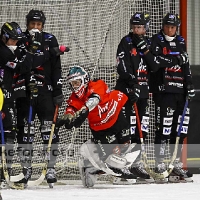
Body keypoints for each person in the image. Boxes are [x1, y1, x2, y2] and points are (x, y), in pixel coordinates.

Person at [114, 12, 183, 183]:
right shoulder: (126, 41)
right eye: (134, 27)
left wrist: (145, 50)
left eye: (140, 27)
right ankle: (122, 165)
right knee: (127, 129)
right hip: (128, 91)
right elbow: (122, 66)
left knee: (141, 129)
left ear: (146, 28)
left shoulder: (150, 43)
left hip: (144, 92)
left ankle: (136, 164)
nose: (137, 30)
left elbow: (154, 65)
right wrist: (132, 83)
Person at [55, 65, 139, 188]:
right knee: (112, 158)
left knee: (125, 146)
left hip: (116, 117)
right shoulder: (76, 97)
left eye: (77, 82)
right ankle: (90, 167)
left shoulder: (97, 84)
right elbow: (72, 107)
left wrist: (84, 109)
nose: (75, 86)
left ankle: (103, 167)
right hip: (101, 128)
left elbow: (95, 99)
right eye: (72, 84)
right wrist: (68, 115)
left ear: (85, 79)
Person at [16, 9, 64, 186]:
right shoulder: (20, 39)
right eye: (32, 24)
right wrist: (42, 51)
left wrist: (58, 90)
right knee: (26, 131)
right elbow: (25, 65)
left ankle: (50, 168)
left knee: (48, 130)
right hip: (26, 91)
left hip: (46, 91)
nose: (35, 28)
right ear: (27, 24)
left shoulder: (50, 39)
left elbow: (56, 67)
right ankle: (26, 169)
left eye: (38, 25)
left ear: (43, 25)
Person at [149, 13, 195, 182]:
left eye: (173, 27)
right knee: (164, 129)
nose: (170, 29)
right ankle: (160, 164)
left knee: (180, 130)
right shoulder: (156, 40)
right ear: (163, 26)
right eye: (167, 26)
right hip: (164, 91)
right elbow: (155, 62)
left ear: (177, 27)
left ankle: (175, 163)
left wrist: (189, 85)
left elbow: (186, 65)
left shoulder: (181, 41)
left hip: (180, 91)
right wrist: (174, 59)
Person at [0, 22, 34, 188]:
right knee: (7, 132)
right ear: (5, 37)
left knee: (8, 132)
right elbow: (22, 67)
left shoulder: (8, 49)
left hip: (6, 95)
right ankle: (3, 172)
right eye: (13, 40)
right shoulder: (3, 52)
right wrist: (29, 52)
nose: (15, 43)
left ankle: (4, 172)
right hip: (2, 96)